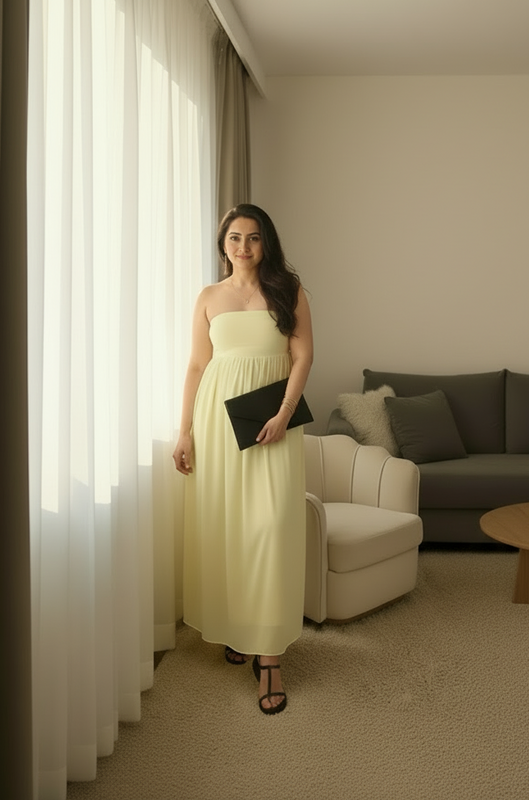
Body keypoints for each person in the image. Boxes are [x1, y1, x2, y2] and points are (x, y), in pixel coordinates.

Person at [172, 204, 313, 715]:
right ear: (223, 244)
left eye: (253, 238)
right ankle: (239, 628)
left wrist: (284, 411)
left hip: (273, 423)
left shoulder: (288, 290)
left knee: (269, 529)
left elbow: (303, 356)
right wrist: (184, 431)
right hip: (215, 423)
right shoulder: (209, 298)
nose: (244, 247)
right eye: (235, 238)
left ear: (266, 242)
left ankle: (270, 655)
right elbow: (195, 364)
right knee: (228, 527)